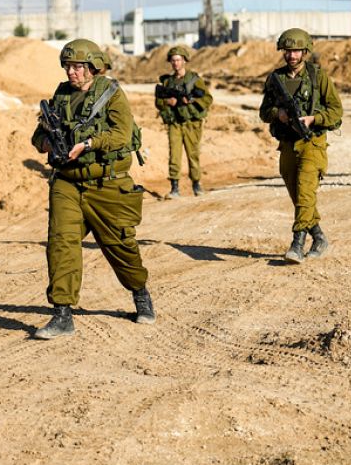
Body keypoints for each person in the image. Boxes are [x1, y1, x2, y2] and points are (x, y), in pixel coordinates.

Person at [31, 39, 153, 339]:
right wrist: (45, 142)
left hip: (107, 184)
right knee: (61, 244)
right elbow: (38, 134)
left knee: (120, 246)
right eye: (68, 66)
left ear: (93, 67)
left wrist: (88, 144)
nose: (71, 72)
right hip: (67, 182)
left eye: (77, 67)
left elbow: (121, 135)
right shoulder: (60, 95)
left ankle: (139, 291)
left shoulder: (111, 93)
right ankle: (62, 313)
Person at [258, 28, 343, 264]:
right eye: (288, 50)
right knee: (297, 196)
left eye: (296, 50)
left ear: (305, 51)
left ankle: (297, 243)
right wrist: (279, 113)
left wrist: (314, 119)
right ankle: (319, 237)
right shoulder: (276, 79)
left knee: (305, 193)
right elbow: (264, 112)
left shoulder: (317, 76)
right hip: (287, 144)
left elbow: (336, 110)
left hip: (312, 143)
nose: (292, 55)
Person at [154, 45, 214, 199]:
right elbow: (158, 101)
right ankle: (174, 188)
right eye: (173, 60)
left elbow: (207, 98)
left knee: (193, 154)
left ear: (185, 61)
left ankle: (196, 185)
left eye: (179, 60)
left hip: (191, 123)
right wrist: (169, 102)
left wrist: (191, 100)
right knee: (174, 155)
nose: (176, 63)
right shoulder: (168, 82)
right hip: (175, 123)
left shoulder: (194, 79)